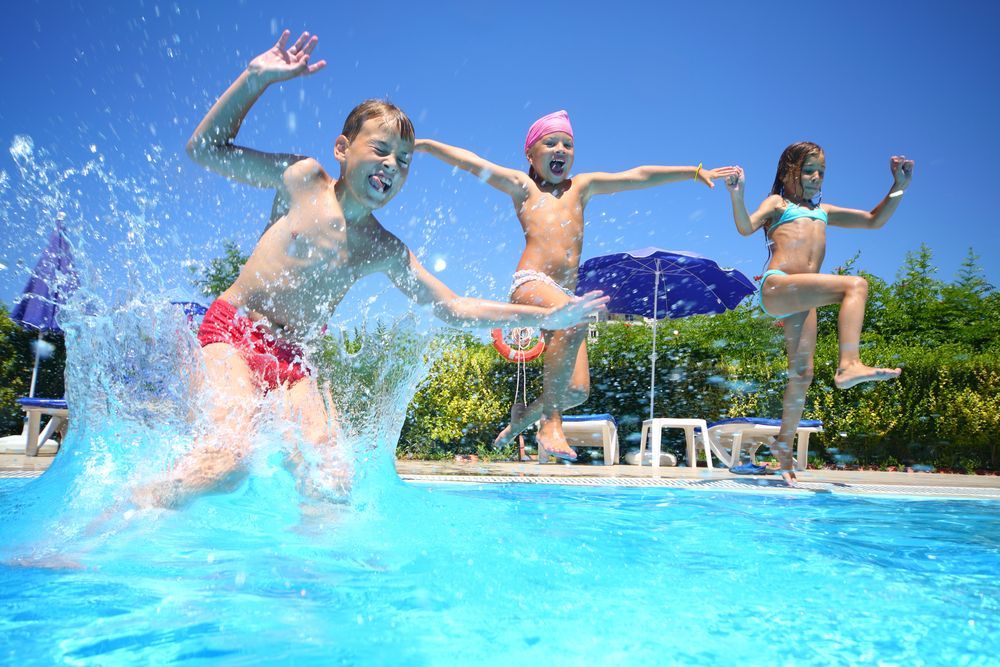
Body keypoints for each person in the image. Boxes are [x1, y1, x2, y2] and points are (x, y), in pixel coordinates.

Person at [136, 31, 608, 508]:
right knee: (227, 462)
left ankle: (313, 578)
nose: (391, 165)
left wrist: (545, 317)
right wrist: (255, 80)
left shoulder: (383, 248)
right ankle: (120, 516)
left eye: (403, 161)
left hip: (296, 362)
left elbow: (455, 308)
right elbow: (205, 149)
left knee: (331, 481)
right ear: (342, 148)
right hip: (234, 333)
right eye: (379, 150)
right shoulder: (302, 180)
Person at [416, 112, 736, 461]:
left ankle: (525, 415)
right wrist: (428, 146)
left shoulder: (581, 187)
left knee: (577, 390)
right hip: (531, 282)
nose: (561, 150)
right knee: (572, 320)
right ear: (530, 154)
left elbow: (637, 176)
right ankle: (549, 422)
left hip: (564, 296)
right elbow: (472, 163)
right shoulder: (524, 187)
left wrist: (692, 172)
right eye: (550, 142)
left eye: (568, 144)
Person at [725, 141, 913, 484]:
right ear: (788, 172)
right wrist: (737, 194)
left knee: (802, 375)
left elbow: (873, 220)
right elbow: (744, 226)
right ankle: (849, 364)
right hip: (779, 285)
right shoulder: (777, 204)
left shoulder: (823, 210)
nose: (815, 177)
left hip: (802, 299)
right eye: (808, 170)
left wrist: (898, 188)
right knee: (855, 285)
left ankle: (783, 444)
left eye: (821, 172)